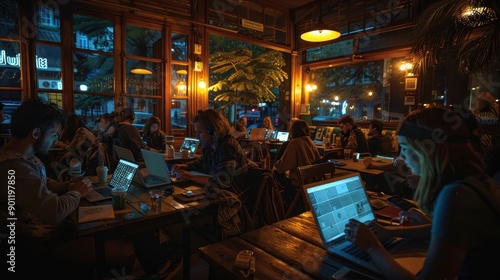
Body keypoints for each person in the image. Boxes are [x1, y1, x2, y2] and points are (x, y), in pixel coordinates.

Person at [344, 107, 500, 279]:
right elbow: (446, 231)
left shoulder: (455, 196)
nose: (401, 157)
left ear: (427, 150)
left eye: (404, 148)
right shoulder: (475, 183)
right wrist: (390, 231)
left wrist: (372, 247)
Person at [0, 99, 134, 277]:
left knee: (112, 227)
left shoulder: (24, 157)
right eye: (54, 135)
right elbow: (54, 211)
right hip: (38, 247)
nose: (56, 141)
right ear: (36, 133)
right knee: (126, 247)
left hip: (45, 236)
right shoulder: (14, 167)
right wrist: (76, 192)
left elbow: (46, 185)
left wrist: (71, 185)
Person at [171, 109, 252, 237]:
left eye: (199, 132)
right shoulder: (213, 144)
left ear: (212, 130)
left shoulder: (227, 146)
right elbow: (202, 163)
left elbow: (222, 182)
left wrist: (190, 176)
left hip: (232, 200)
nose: (197, 137)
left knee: (177, 217)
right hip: (218, 195)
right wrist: (185, 166)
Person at [273, 119, 321, 214]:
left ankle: (281, 206)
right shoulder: (310, 141)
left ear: (293, 131)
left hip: (300, 182)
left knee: (275, 173)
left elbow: (283, 166)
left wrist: (274, 166)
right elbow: (318, 160)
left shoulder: (294, 143)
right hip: (312, 180)